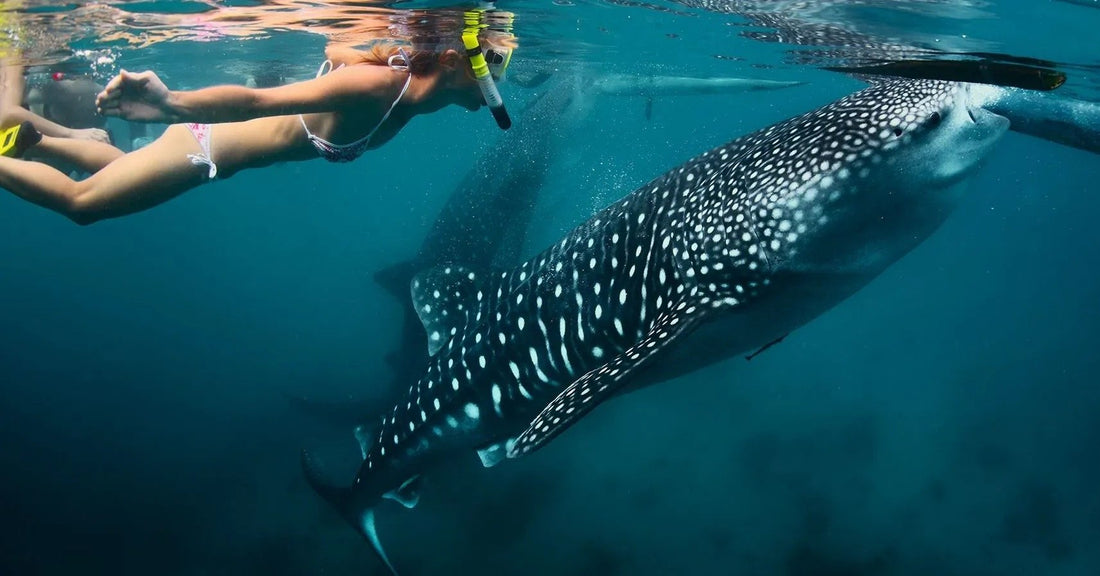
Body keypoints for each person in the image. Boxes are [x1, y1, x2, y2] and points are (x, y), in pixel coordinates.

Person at [0, 26, 515, 225]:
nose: (500, 81)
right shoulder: (377, 89)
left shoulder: (398, 82)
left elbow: (334, 48)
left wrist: (359, 48)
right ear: (451, 61)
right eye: (498, 66)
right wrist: (172, 102)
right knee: (81, 204)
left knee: (120, 166)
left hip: (208, 157)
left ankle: (40, 139)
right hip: (203, 146)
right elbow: (254, 100)